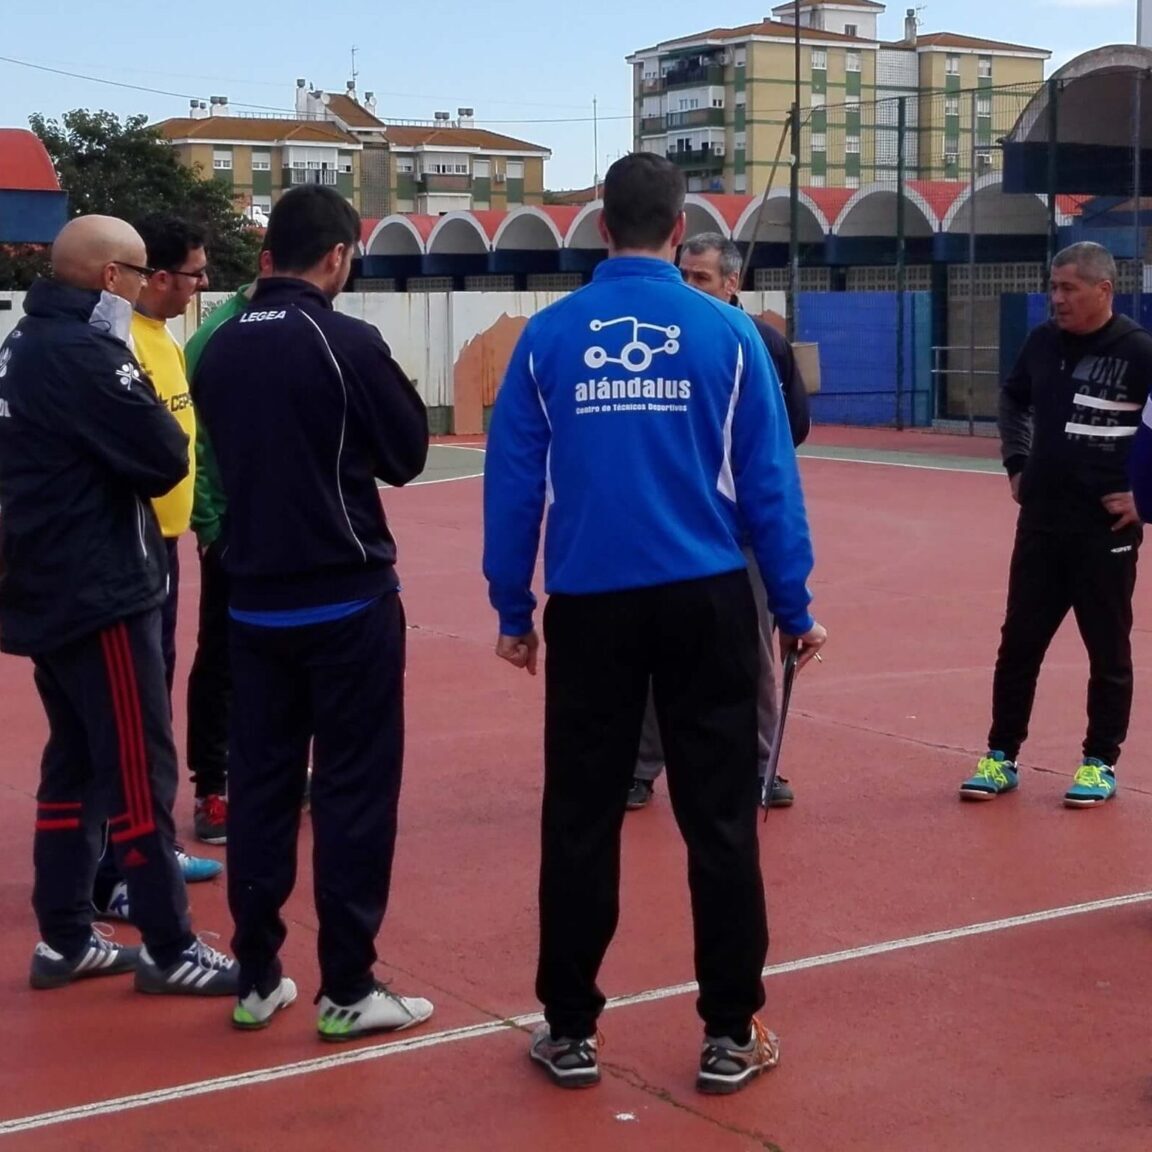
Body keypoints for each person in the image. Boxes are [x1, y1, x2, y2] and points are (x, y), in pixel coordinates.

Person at [483, 153, 826, 1095]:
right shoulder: (727, 333)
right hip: (709, 598)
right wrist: (793, 606)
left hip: (592, 604)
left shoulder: (549, 339)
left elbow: (513, 485)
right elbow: (769, 484)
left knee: (581, 816)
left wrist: (513, 606)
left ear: (602, 229)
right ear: (681, 231)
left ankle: (568, 1029)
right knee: (720, 819)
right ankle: (729, 1030)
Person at [194, 185, 433, 1036]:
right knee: (353, 791)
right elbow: (407, 453)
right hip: (344, 598)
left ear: (268, 257)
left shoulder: (213, 347)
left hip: (252, 602)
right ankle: (348, 987)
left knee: (261, 789)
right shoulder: (345, 340)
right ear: (338, 257)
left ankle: (256, 976)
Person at [0, 215, 238, 996]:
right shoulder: (82, 353)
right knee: (139, 765)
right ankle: (169, 945)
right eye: (138, 273)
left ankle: (66, 935)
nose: (146, 287)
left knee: (75, 765)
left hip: (54, 583)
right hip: (98, 586)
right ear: (111, 278)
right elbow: (164, 451)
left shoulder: (28, 343)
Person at [960, 242, 1151, 807]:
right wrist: (1017, 462)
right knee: (1018, 644)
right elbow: (1014, 400)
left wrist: (1147, 501)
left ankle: (1099, 763)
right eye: (1053, 286)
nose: (1056, 298)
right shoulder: (1042, 343)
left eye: (1069, 288)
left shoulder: (1139, 352)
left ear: (1104, 290)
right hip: (1042, 524)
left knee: (1108, 650)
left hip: (1105, 533)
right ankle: (1001, 756)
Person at [628, 231, 811, 813]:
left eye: (702, 278)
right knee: (654, 653)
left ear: (733, 284)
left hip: (741, 532)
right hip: (670, 525)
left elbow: (792, 431)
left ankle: (760, 764)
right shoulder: (665, 338)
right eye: (683, 276)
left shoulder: (765, 344)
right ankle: (639, 769)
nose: (689, 288)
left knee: (752, 654)